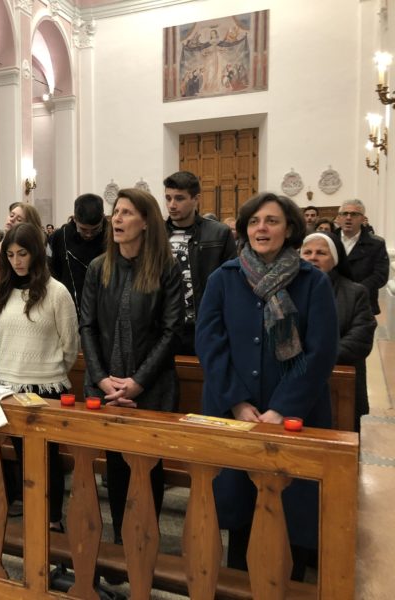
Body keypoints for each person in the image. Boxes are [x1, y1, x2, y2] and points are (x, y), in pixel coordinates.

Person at [196, 192, 338, 579]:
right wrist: (238, 402)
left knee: (291, 510)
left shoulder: (312, 282)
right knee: (240, 510)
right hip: (237, 416)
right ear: (244, 229)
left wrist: (282, 408)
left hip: (295, 418)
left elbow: (321, 351)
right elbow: (210, 343)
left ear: (289, 229)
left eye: (272, 221)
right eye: (255, 222)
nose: (262, 228)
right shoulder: (224, 278)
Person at [79, 188, 184, 544]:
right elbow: (87, 326)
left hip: (150, 388)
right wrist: (101, 379)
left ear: (146, 222)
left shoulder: (166, 268)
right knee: (116, 467)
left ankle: (145, 542)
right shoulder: (99, 268)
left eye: (126, 213)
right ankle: (120, 544)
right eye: (116, 212)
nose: (117, 219)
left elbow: (172, 331)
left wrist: (138, 382)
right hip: (108, 386)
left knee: (148, 467)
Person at [0, 223, 79, 532]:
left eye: (23, 254)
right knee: (22, 457)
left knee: (47, 459)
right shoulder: (1, 291)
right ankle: (33, 518)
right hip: (8, 385)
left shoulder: (56, 292)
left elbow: (70, 344)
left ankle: (53, 519)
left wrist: (49, 369)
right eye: (10, 255)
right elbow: (1, 336)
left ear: (36, 254)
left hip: (46, 387)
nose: (17, 261)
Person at [301, 232, 376, 432]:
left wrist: (314, 360)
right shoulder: (287, 290)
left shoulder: (355, 292)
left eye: (321, 253)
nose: (313, 258)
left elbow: (360, 340)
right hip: (297, 382)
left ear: (335, 259)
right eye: (307, 252)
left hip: (338, 382)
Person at [163, 171, 236, 354]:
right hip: (165, 327)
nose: (172, 205)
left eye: (179, 198)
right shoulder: (155, 235)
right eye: (168, 198)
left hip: (204, 326)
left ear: (196, 199)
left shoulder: (219, 233)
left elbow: (231, 284)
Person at [0, 202, 43, 331]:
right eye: (11, 215)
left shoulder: (35, 254)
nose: (12, 220)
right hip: (0, 321)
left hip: (29, 320)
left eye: (19, 219)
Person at [48, 193, 108, 316]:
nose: (89, 235)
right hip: (70, 307)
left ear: (103, 218)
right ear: (75, 219)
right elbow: (55, 273)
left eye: (95, 229)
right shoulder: (61, 236)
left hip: (106, 307)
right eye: (83, 229)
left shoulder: (112, 234)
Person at [337, 199, 388, 315]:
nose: (348, 217)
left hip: (364, 301)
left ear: (362, 218)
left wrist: (356, 290)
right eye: (345, 214)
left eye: (354, 214)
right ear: (339, 218)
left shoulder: (376, 244)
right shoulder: (329, 240)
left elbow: (380, 275)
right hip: (334, 299)